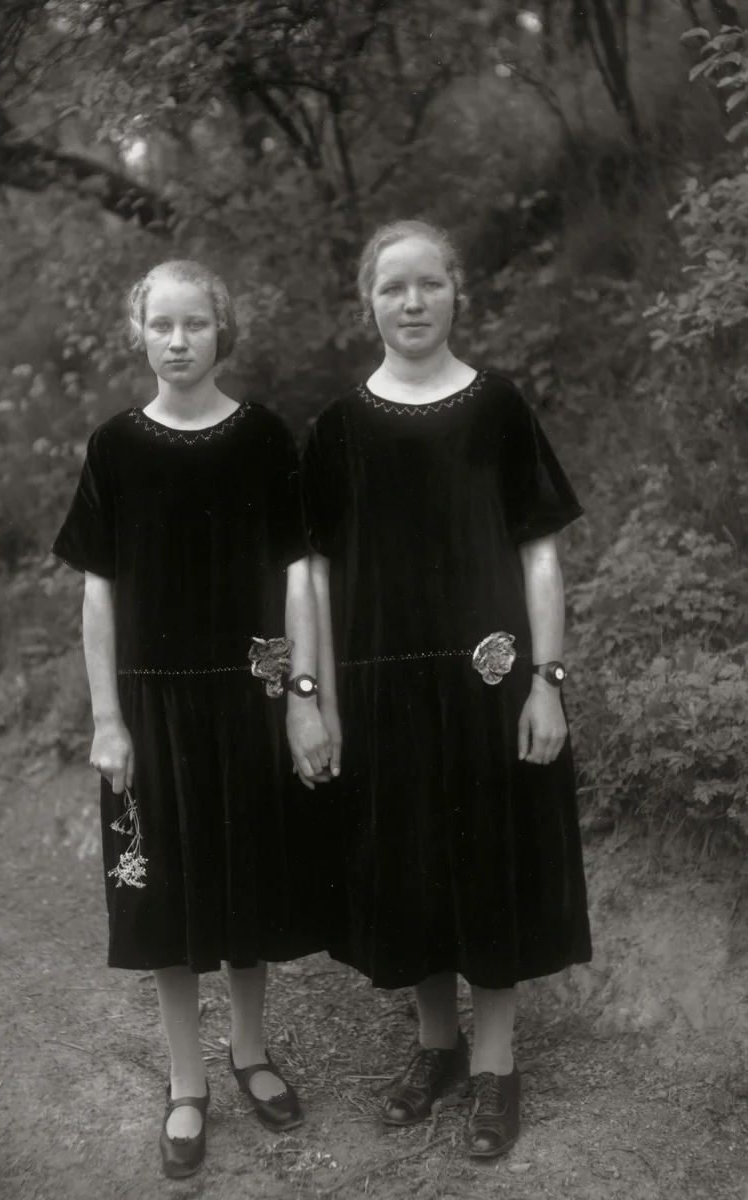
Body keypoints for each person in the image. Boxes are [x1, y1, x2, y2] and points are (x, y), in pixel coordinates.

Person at [301, 220, 592, 1158]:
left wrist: (547, 683)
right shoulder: (339, 429)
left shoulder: (498, 406)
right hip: (383, 692)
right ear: (368, 303)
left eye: (430, 283)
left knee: (490, 866)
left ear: (457, 292)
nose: (414, 302)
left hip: (490, 688)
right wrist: (312, 697)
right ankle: (438, 1048)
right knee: (411, 867)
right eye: (395, 288)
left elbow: (539, 551)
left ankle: (498, 1067)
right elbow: (307, 571)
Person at [52, 260, 332, 1179]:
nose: (178, 341)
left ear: (223, 331)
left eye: (196, 325)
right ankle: (185, 1082)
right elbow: (100, 592)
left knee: (246, 885)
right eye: (162, 325)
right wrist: (107, 719)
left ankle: (249, 1053)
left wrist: (301, 701)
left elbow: (297, 574)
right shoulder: (114, 448)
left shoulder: (261, 439)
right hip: (152, 705)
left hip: (248, 696)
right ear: (140, 332)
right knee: (167, 899)